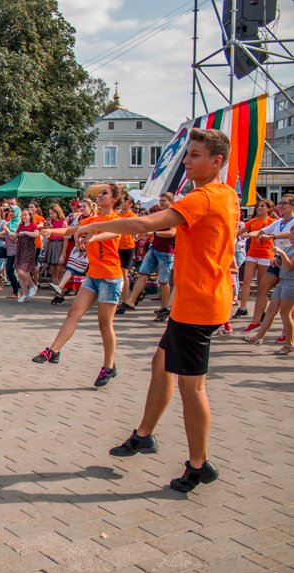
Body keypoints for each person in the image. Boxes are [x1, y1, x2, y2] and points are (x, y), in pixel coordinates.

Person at [75, 128, 238, 493]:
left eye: (195, 155)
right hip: (199, 300)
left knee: (192, 387)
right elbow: (173, 231)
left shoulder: (203, 197)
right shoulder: (226, 194)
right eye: (187, 154)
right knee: (161, 364)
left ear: (216, 161)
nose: (187, 161)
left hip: (198, 305)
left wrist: (96, 224)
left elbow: (145, 224)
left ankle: (199, 465)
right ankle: (144, 435)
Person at [32, 184, 125, 387]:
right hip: (93, 276)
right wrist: (50, 230)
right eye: (100, 193)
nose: (100, 195)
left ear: (115, 199)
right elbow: (71, 230)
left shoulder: (116, 220)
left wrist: (93, 236)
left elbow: (113, 233)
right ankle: (54, 350)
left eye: (105, 193)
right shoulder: (91, 219)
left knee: (104, 324)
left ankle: (109, 366)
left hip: (110, 277)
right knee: (73, 312)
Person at [239, 194, 294, 335]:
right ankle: (256, 321)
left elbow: (289, 234)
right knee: (262, 289)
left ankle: (287, 333)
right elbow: (262, 231)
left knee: (288, 298)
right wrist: (249, 234)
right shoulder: (278, 222)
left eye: (284, 203)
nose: (281, 205)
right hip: (277, 259)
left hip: (290, 258)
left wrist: (272, 236)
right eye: (280, 203)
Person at [117, 192, 176, 317]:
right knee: (142, 274)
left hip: (166, 251)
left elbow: (172, 233)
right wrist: (145, 232)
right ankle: (131, 301)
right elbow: (150, 226)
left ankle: (164, 308)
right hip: (154, 248)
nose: (161, 203)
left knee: (163, 281)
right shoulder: (161, 214)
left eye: (164, 201)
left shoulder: (173, 215)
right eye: (160, 200)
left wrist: (153, 233)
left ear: (171, 202)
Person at [13, 209, 40, 302]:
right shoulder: (20, 226)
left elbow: (36, 234)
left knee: (22, 271)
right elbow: (14, 237)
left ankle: (33, 285)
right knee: (19, 272)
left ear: (30, 216)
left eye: (25, 215)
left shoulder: (33, 225)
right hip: (20, 249)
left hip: (28, 250)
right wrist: (10, 233)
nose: (23, 217)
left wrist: (25, 232)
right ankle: (25, 294)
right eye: (22, 215)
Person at [44, 205, 67, 287]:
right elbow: (47, 237)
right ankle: (55, 286)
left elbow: (65, 239)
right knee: (53, 270)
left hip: (60, 244)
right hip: (51, 244)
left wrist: (64, 253)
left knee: (59, 268)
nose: (51, 215)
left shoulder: (64, 222)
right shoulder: (50, 222)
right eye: (50, 213)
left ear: (58, 212)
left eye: (53, 213)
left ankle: (60, 288)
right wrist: (48, 228)